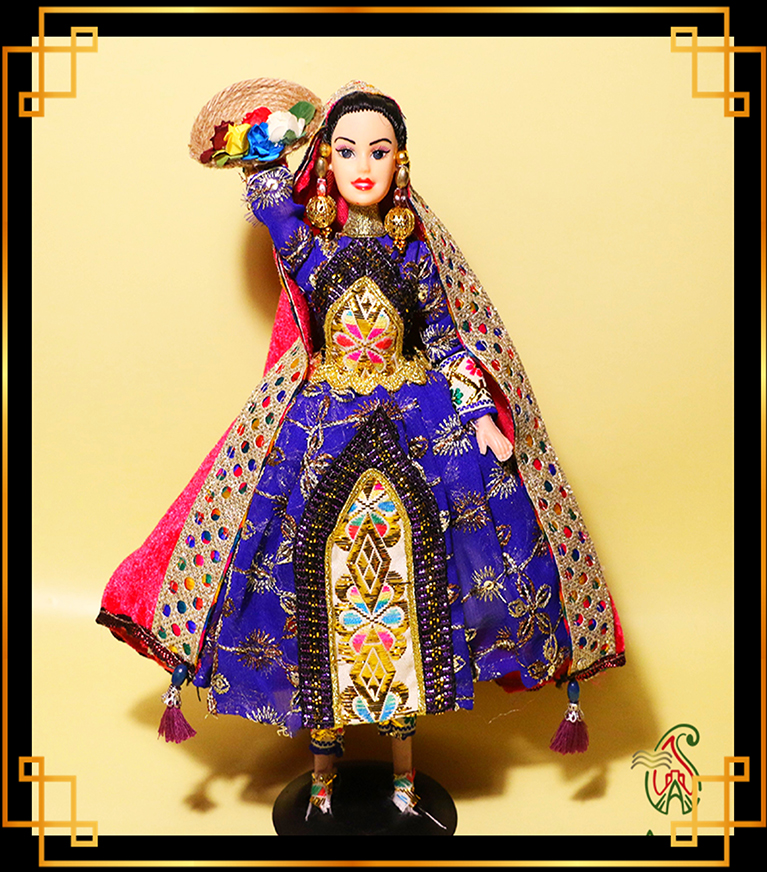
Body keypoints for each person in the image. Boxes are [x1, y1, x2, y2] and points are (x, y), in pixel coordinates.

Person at [98, 80, 625, 822]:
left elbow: (445, 338)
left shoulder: (415, 256)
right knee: (315, 585)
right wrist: (259, 155)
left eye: (379, 151)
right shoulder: (312, 249)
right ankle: (323, 772)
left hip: (417, 423)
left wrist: (480, 413)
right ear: (326, 161)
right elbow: (274, 211)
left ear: (399, 160)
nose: (364, 165)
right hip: (321, 428)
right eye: (347, 151)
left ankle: (405, 772)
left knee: (416, 590)